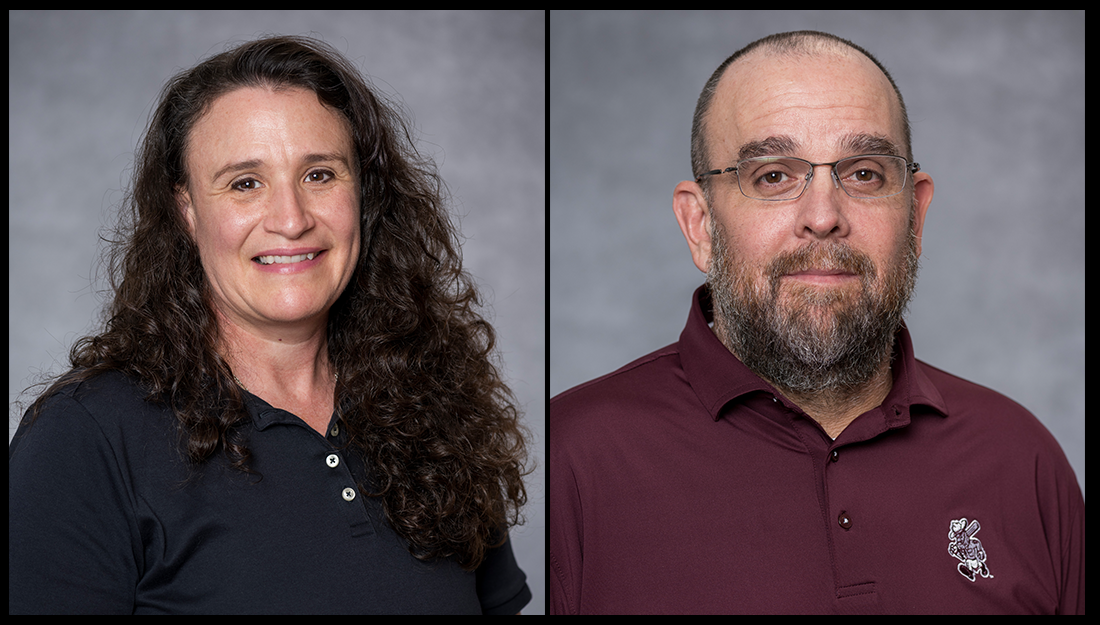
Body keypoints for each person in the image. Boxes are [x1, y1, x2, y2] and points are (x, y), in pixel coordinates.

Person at [549, 31, 1083, 614]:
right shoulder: (574, 459)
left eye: (865, 174)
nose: (824, 217)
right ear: (700, 225)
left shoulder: (1022, 460)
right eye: (773, 176)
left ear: (916, 214)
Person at [10, 35, 531, 615]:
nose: (291, 219)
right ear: (186, 210)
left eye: (319, 175)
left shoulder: (433, 408)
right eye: (245, 183)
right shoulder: (87, 441)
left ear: (363, 193)